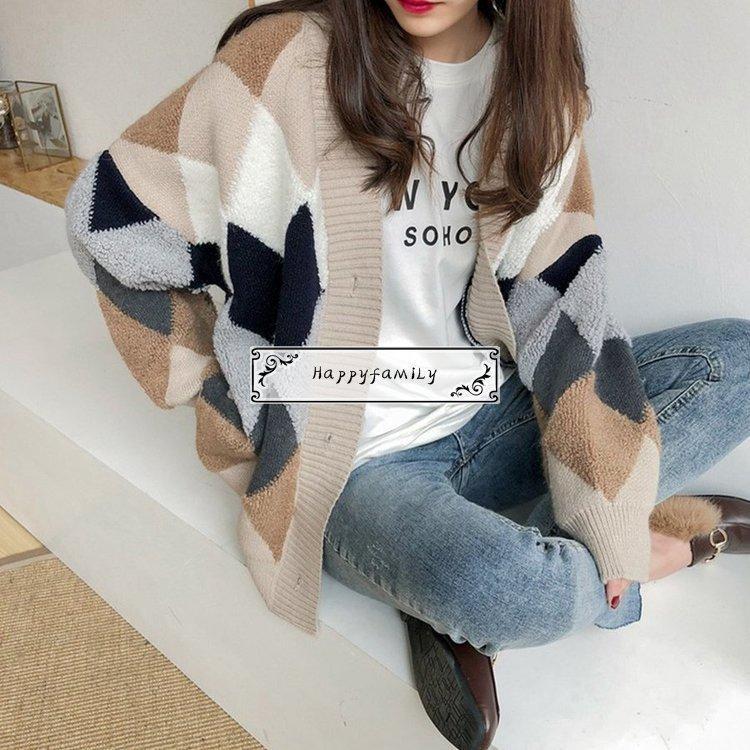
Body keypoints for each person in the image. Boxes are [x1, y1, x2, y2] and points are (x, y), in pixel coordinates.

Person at [64, 2, 750, 748]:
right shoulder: (284, 61)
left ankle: (444, 581)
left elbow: (563, 305)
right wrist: (219, 394)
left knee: (739, 359)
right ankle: (668, 548)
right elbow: (108, 222)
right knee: (514, 590)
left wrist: (604, 497)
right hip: (350, 463)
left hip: (480, 397)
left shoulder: (535, 87)